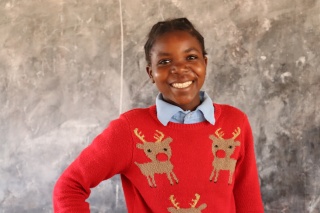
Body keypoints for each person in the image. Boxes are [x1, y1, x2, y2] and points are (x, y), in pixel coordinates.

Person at [53, 17, 264, 213]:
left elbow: (249, 202)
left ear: (205, 64)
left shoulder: (235, 123)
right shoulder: (130, 130)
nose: (180, 69)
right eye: (164, 62)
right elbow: (69, 187)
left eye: (191, 57)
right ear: (150, 73)